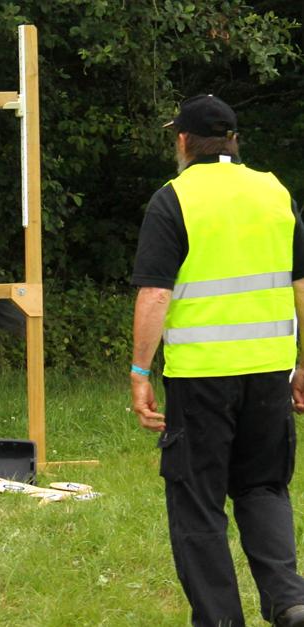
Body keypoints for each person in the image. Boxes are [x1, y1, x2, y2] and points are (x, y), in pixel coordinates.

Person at [130, 94, 304, 626]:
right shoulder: (275, 192)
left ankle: (221, 618)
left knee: (197, 501)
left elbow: (155, 295)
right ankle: (290, 601)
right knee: (264, 486)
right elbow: (301, 285)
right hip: (271, 370)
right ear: (233, 141)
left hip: (202, 377)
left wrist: (140, 371)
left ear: (183, 141)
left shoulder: (173, 199)